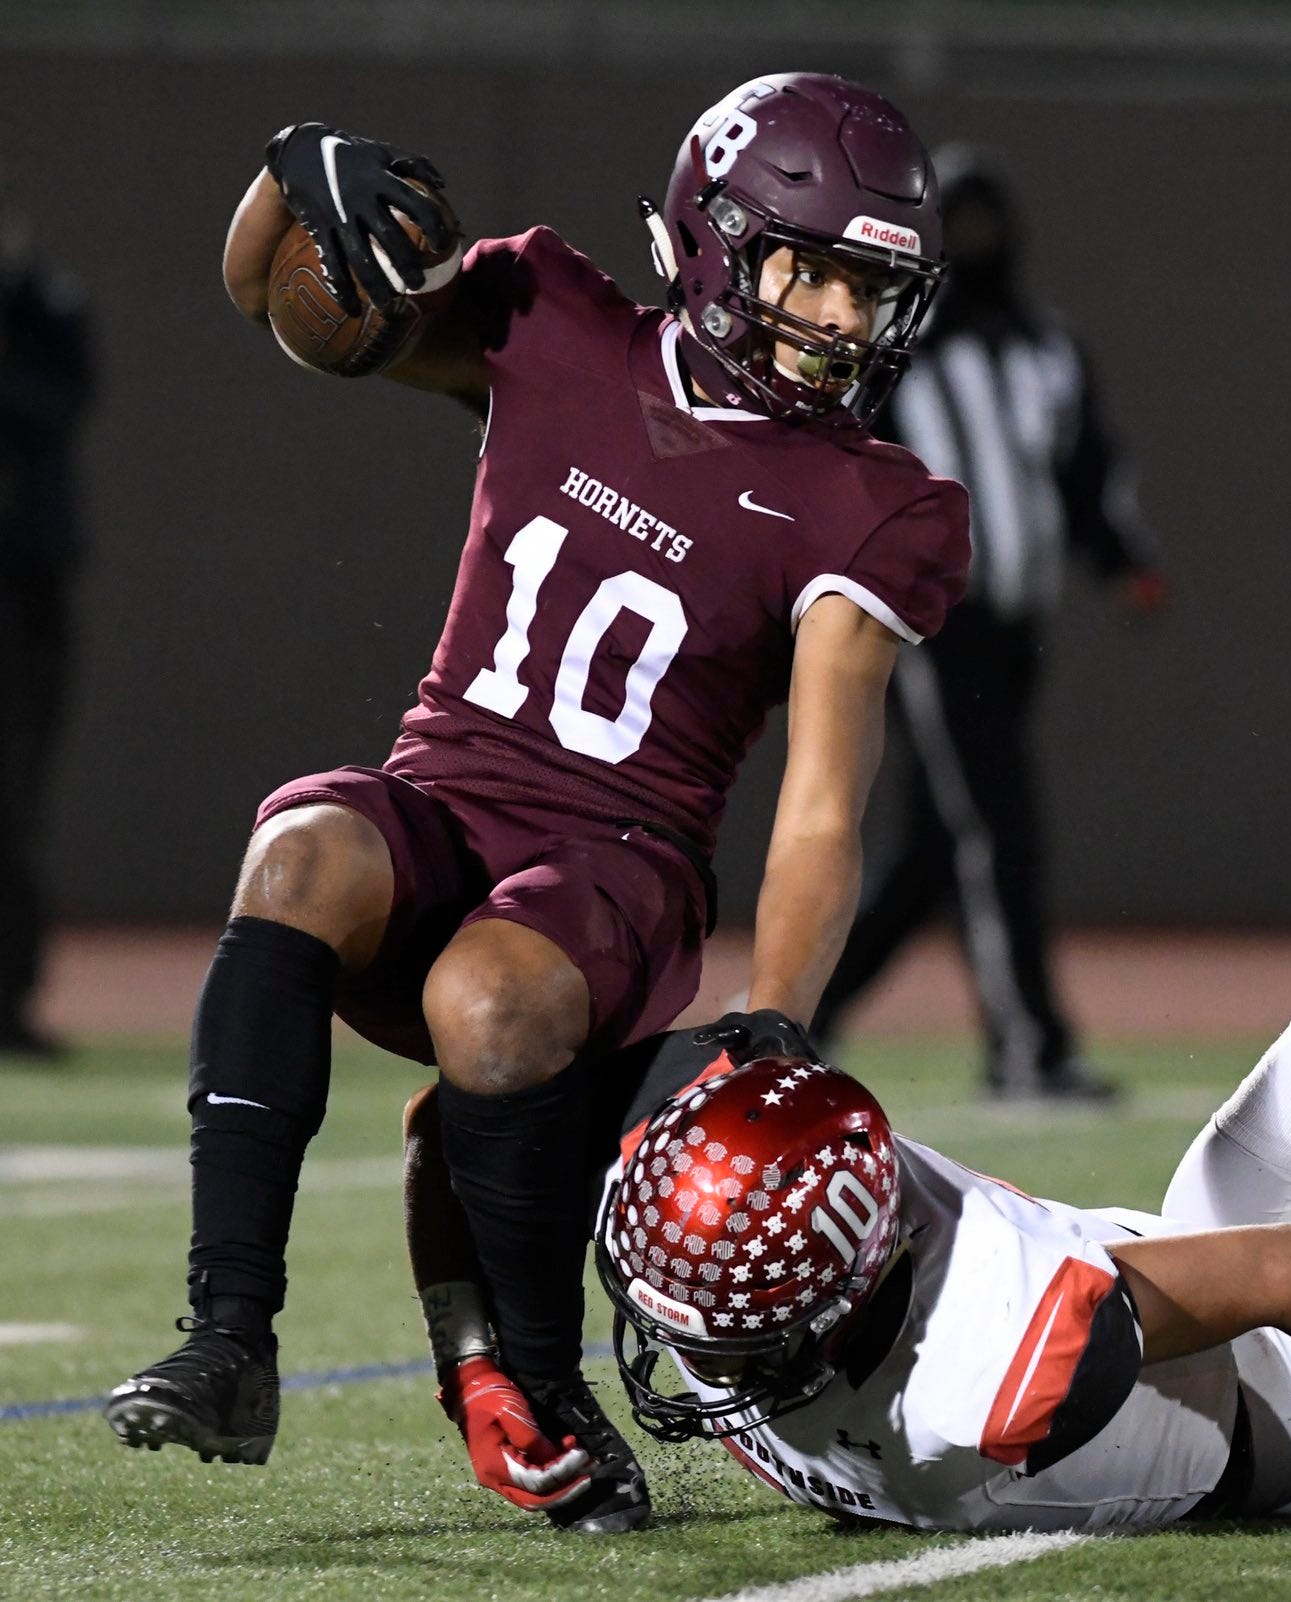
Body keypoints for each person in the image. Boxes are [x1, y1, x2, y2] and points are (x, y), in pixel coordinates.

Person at [103, 73, 970, 1535]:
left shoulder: (870, 499)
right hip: (446, 791)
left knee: (488, 998)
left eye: (867, 288)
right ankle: (228, 1336)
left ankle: (546, 1384)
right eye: (810, 270)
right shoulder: (554, 315)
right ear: (716, 243)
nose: (839, 317)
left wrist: (778, 1010)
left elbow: (823, 803)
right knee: (299, 850)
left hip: (623, 863)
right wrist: (296, 171)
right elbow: (283, 301)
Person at [404, 733, 1291, 1534]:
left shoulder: (986, 1381)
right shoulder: (716, 1131)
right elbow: (451, 1127)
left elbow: (1276, 1273)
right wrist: (478, 1365)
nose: (695, 1356)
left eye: (730, 1337)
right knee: (1189, 1249)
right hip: (1109, 1277)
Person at [809, 148, 1167, 1101]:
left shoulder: (1046, 346)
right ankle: (1028, 1048)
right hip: (935, 626)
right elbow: (842, 469)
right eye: (956, 226)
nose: (974, 243)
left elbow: (1086, 466)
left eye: (985, 224)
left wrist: (1123, 561)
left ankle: (793, 1015)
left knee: (940, 846)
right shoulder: (892, 348)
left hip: (1019, 631)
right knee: (998, 830)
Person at [0, 202, 93, 1060]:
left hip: (23, 590)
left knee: (14, 795)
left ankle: (8, 997)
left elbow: (61, 400)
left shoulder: (40, 306)